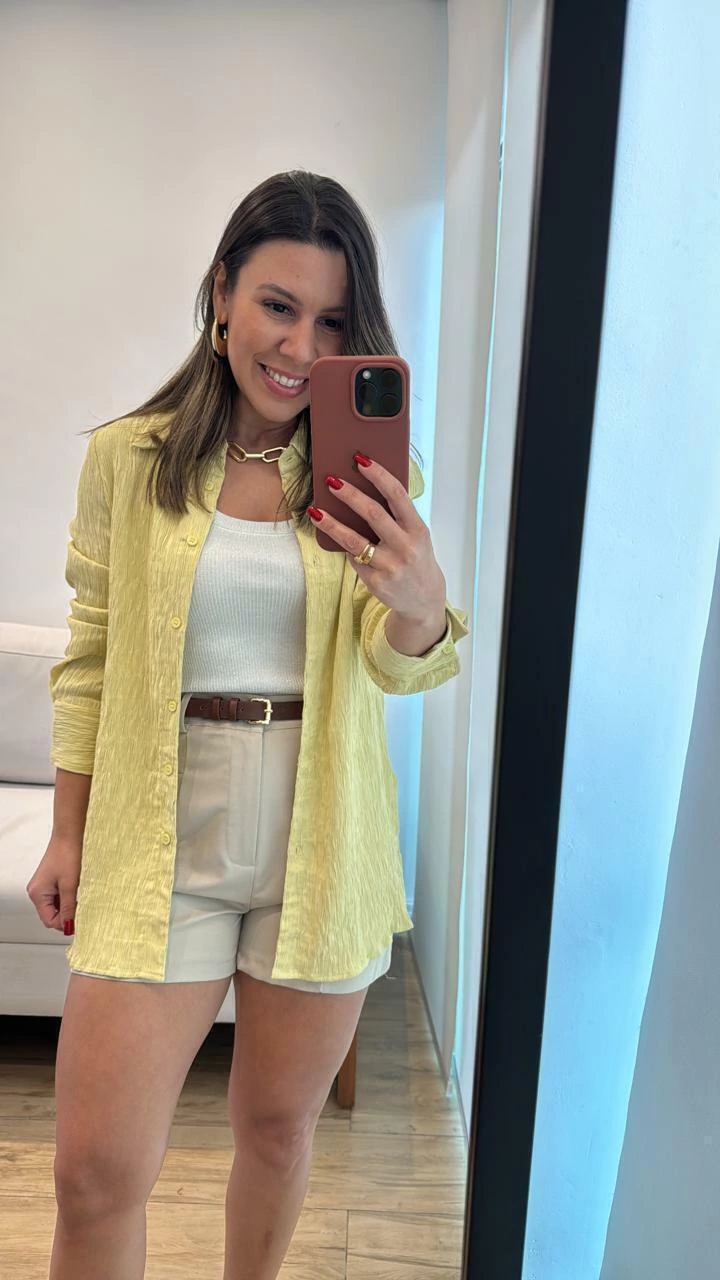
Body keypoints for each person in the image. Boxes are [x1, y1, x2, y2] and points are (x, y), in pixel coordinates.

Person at [27, 169, 469, 1280]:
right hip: (158, 824)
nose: (300, 346)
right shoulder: (129, 459)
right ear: (222, 291)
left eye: (333, 321)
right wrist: (68, 829)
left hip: (321, 829)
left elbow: (394, 663)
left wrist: (421, 609)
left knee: (277, 1133)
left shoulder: (374, 473)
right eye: (278, 304)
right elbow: (91, 654)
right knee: (94, 1174)